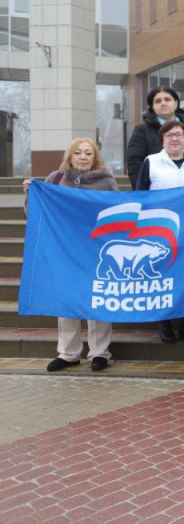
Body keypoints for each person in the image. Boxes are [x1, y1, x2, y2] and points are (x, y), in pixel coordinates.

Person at [24, 138, 119, 373]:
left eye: (88, 153)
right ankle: (69, 353)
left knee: (98, 299)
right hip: (64, 251)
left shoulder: (106, 181)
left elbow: (119, 213)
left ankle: (100, 353)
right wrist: (30, 194)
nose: (84, 157)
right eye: (78, 153)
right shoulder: (56, 179)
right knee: (66, 300)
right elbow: (36, 213)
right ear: (70, 156)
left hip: (95, 250)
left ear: (95, 157)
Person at [136, 120, 184, 344]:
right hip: (159, 230)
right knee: (163, 276)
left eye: (178, 134)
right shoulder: (151, 162)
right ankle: (164, 322)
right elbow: (141, 195)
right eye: (169, 135)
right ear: (162, 140)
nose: (174, 138)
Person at [127, 86, 184, 188]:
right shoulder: (142, 130)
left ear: (176, 103)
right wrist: (141, 194)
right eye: (158, 101)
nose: (163, 103)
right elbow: (135, 165)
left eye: (167, 99)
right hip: (159, 192)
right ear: (152, 107)